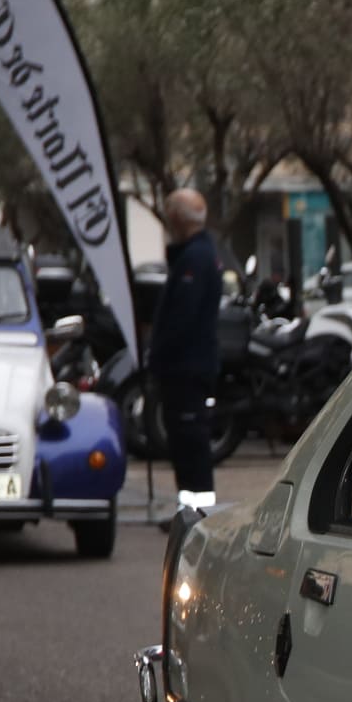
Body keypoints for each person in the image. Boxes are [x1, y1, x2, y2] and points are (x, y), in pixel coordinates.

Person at [150, 189, 223, 513]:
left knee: (190, 441)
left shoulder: (195, 258)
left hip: (187, 367)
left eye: (169, 215)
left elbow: (182, 317)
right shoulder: (195, 254)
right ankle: (189, 509)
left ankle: (197, 512)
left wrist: (160, 355)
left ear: (178, 218)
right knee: (183, 440)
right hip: (186, 366)